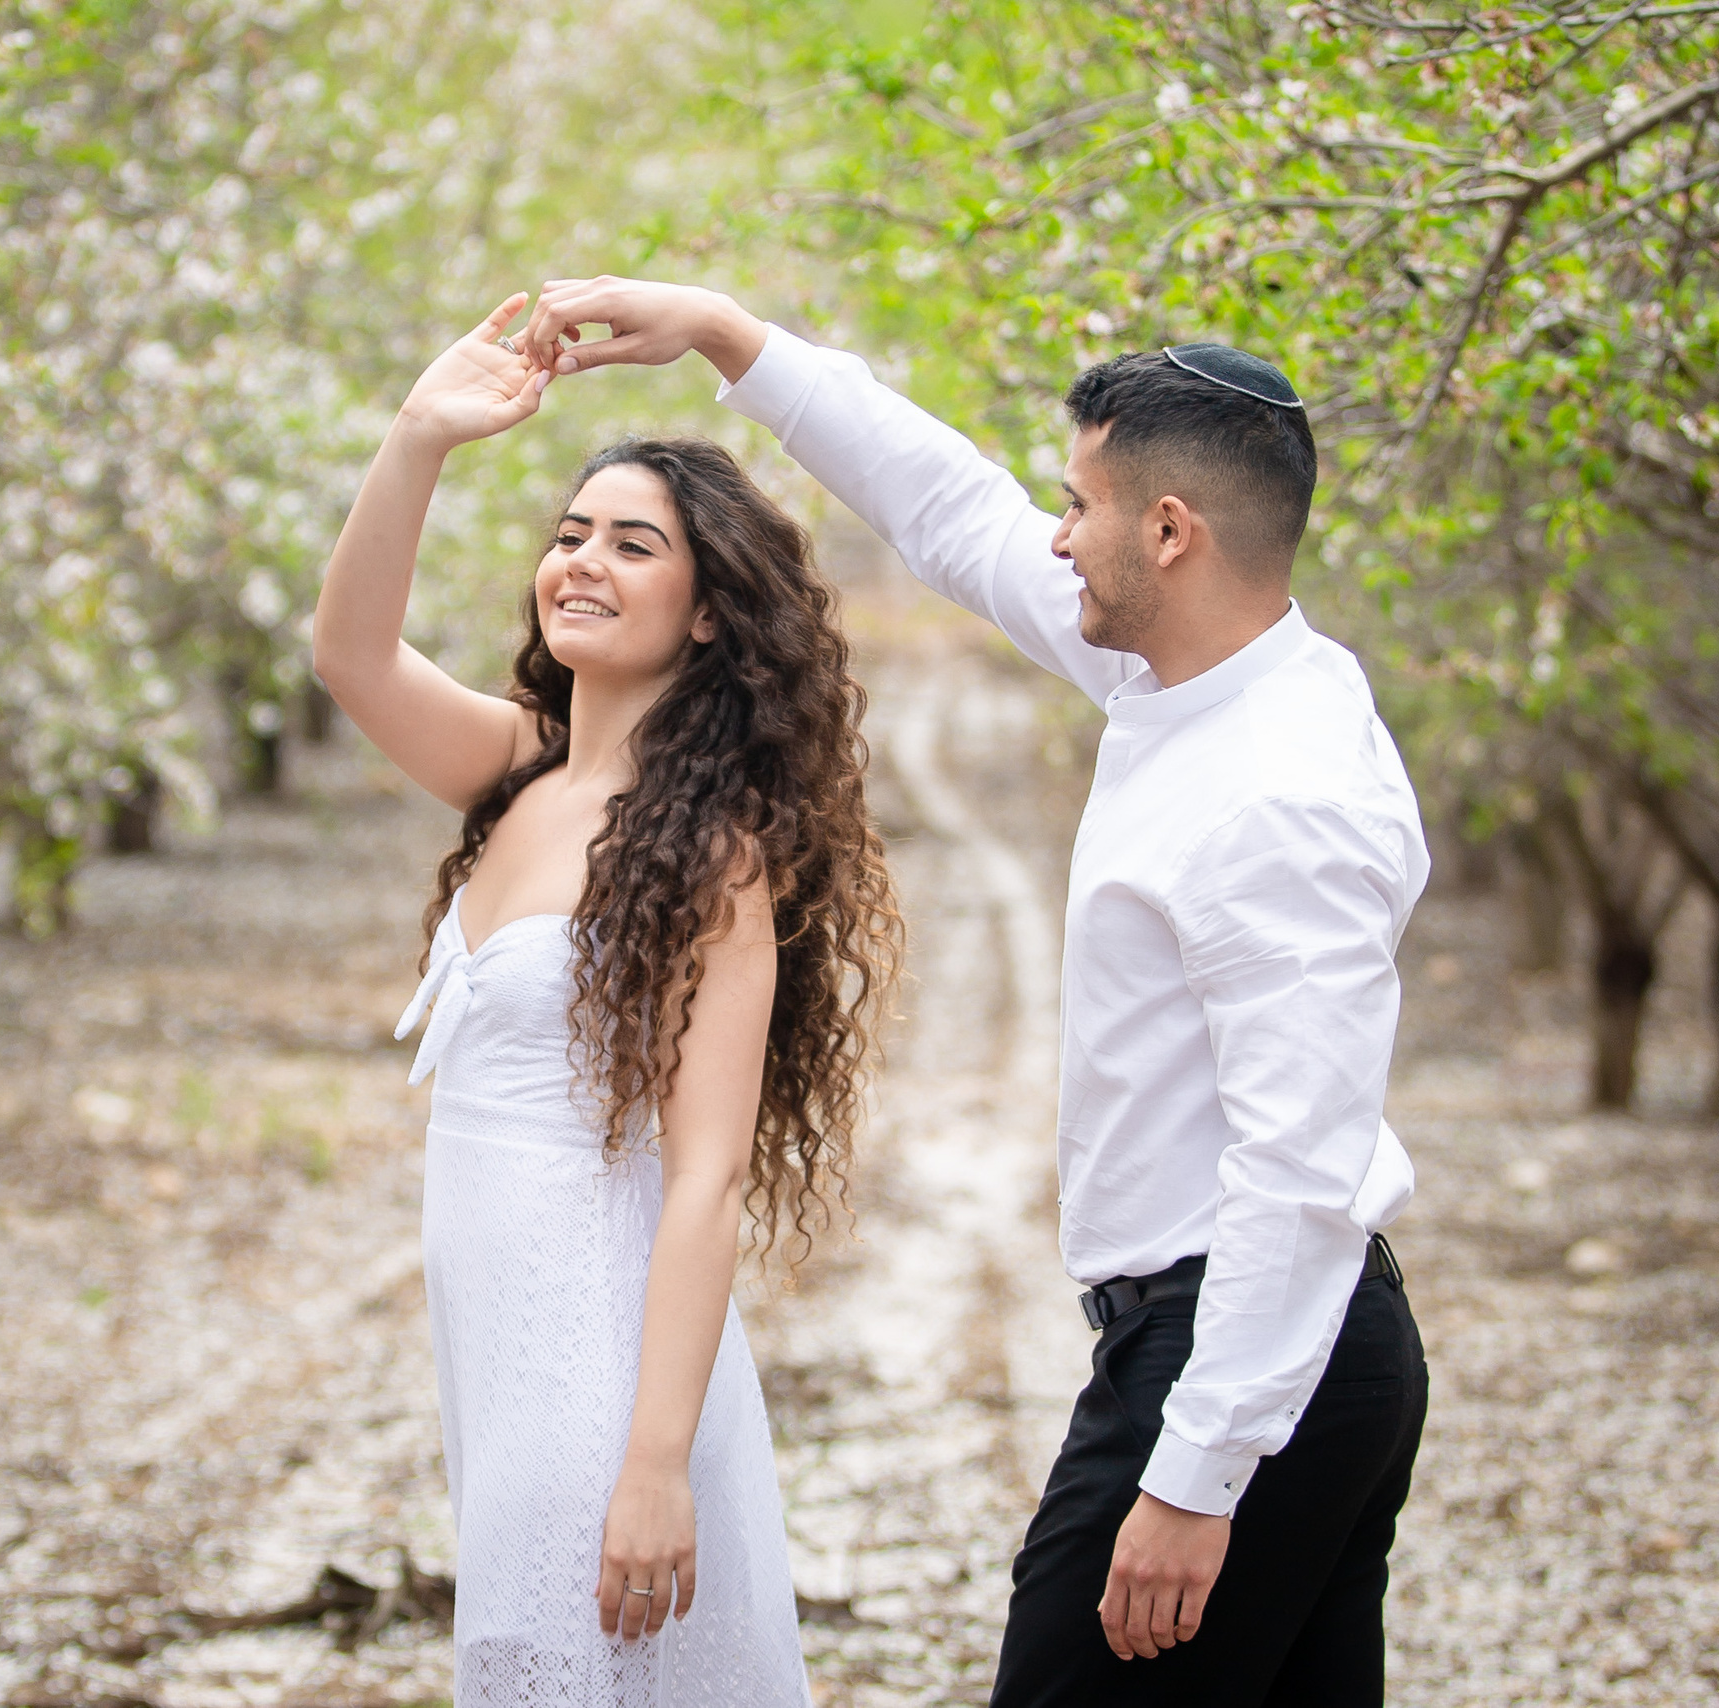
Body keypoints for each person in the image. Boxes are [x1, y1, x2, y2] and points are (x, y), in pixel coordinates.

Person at [521, 278, 1431, 1706]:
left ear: (1172, 534)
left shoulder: (1281, 792)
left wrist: (1195, 1476)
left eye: (1078, 505)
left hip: (1249, 1358)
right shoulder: (1189, 679)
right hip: (1266, 1352)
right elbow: (949, 512)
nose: (1054, 534)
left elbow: (1300, 1171)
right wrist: (722, 334)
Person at [310, 292, 900, 1707]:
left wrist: (654, 1463)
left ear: (709, 618)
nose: (581, 561)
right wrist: (418, 437)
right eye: (570, 534)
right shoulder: (516, 771)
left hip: (602, 1354)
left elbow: (703, 1184)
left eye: (634, 546)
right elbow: (348, 652)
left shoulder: (713, 855)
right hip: (495, 1348)